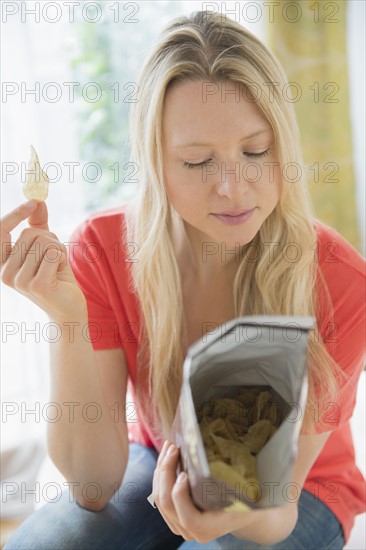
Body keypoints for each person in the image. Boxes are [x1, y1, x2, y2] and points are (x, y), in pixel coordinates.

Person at [1, 10, 365, 550]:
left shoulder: (339, 282)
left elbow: (272, 515)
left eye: (255, 152)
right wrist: (67, 318)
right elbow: (94, 484)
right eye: (197, 162)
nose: (233, 187)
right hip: (162, 451)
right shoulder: (101, 251)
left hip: (296, 492)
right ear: (155, 163)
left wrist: (220, 518)